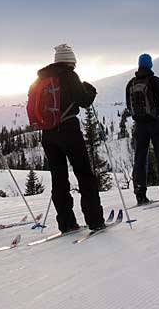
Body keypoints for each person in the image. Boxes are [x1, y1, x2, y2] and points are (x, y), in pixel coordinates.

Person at [33, 44, 105, 233]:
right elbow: (84, 101)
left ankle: (66, 223)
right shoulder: (69, 75)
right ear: (71, 60)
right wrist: (91, 90)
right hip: (69, 129)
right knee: (84, 174)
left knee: (59, 178)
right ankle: (95, 220)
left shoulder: (42, 78)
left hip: (48, 133)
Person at [125, 53, 159, 205]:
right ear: (150, 65)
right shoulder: (156, 81)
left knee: (140, 157)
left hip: (139, 125)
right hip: (156, 122)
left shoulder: (131, 83)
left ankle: (140, 193)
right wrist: (157, 110)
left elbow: (129, 106)